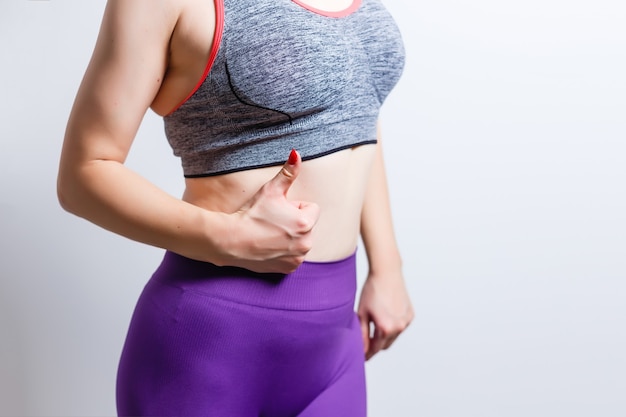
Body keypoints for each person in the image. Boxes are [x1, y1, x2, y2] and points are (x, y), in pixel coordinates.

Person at [58, 0, 414, 415]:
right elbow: (83, 173)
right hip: (209, 341)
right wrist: (230, 237)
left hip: (335, 344)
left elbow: (357, 109)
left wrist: (387, 266)